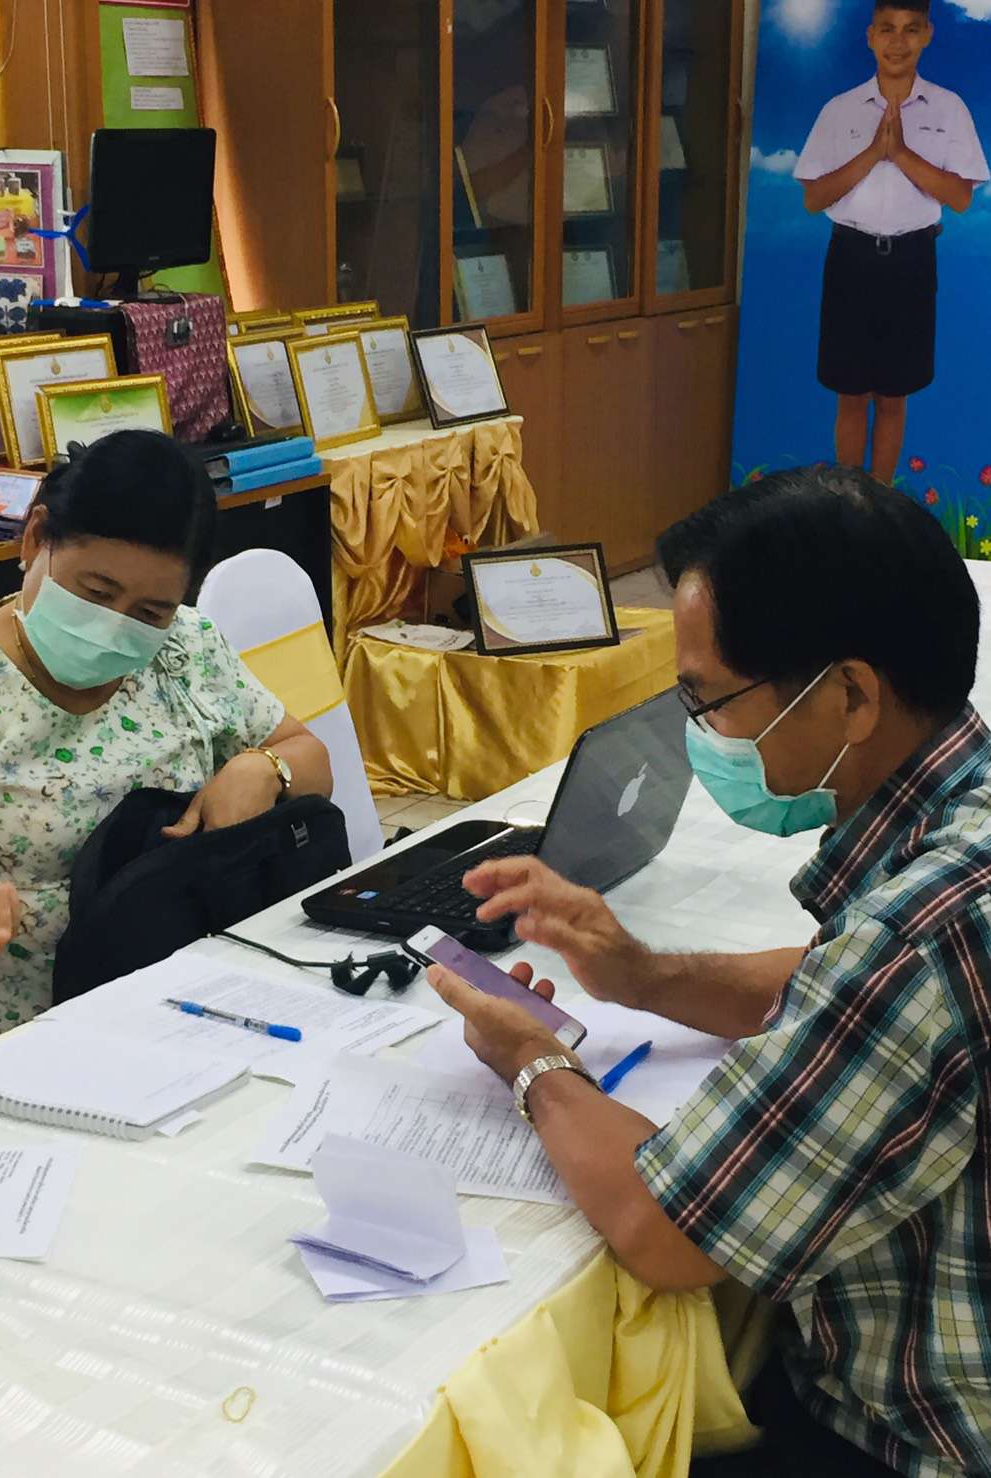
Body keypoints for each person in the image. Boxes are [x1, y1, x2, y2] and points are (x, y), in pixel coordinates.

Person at [427, 467, 989, 1476]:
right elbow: (830, 984)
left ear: (851, 695)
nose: (702, 734)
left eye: (710, 699)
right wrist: (640, 974)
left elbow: (668, 1231)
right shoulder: (964, 820)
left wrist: (532, 1060)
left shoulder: (912, 937)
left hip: (914, 1438)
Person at [0, 430, 332, 1093]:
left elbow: (311, 759)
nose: (116, 626)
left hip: (179, 1020)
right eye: (95, 592)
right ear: (36, 539)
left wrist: (263, 767)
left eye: (150, 610)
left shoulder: (186, 649)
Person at [794, 1, 989, 485]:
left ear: (928, 35)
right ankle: (848, 500)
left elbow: (961, 198)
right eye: (887, 29)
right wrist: (872, 153)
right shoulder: (839, 110)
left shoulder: (949, 109)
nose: (898, 42)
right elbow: (814, 199)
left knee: (893, 395)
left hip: (912, 261)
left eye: (910, 30)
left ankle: (880, 502)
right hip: (851, 259)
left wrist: (900, 153)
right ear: (870, 37)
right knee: (850, 393)